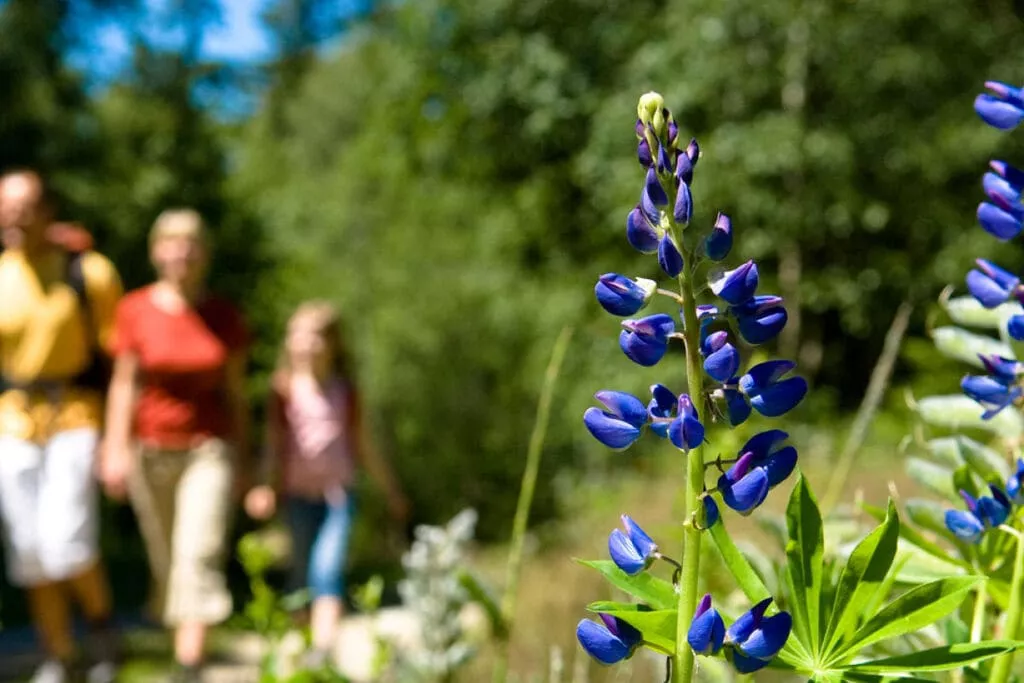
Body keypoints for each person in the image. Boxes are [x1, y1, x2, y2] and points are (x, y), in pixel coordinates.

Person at [100, 209, 250, 683]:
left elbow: (237, 394)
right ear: (156, 251)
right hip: (150, 450)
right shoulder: (135, 309)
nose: (182, 251)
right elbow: (124, 385)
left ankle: (188, 670)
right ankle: (182, 657)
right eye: (171, 242)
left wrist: (248, 459)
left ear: (205, 253)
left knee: (197, 554)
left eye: (192, 243)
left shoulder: (224, 315)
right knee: (168, 565)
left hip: (210, 450)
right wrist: (114, 449)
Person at [0, 169, 121, 683]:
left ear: (47, 211)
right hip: (11, 422)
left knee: (68, 541)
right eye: (5, 205)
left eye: (23, 205)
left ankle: (102, 632)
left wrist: (117, 438)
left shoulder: (89, 272)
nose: (12, 215)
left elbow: (122, 364)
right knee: (28, 550)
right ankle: (59, 654)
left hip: (75, 416)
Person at [244, 301, 409, 667]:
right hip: (296, 497)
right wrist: (263, 486)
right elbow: (274, 444)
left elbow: (364, 447)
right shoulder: (283, 389)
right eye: (298, 335)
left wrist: (392, 491)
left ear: (334, 343)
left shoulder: (345, 392)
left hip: (338, 497)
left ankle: (322, 651)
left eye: (316, 336)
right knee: (301, 579)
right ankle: (303, 649)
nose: (306, 344)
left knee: (327, 569)